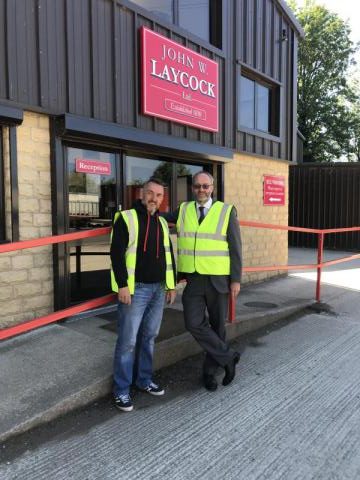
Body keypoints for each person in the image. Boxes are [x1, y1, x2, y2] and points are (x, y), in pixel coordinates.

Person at [164, 171, 242, 392]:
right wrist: (136, 214)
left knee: (217, 328)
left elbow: (236, 248)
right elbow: (159, 218)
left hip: (219, 279)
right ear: (192, 188)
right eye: (197, 186)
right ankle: (228, 357)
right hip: (194, 278)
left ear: (212, 188)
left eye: (205, 186)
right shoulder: (183, 209)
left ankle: (209, 373)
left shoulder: (226, 211)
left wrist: (236, 279)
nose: (201, 190)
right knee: (193, 323)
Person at [110, 177, 176, 412]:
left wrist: (171, 285)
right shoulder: (126, 218)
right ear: (141, 193)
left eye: (159, 195)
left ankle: (144, 380)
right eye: (150, 193)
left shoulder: (160, 222)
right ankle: (121, 390)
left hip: (158, 288)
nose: (154, 199)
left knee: (149, 336)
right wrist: (122, 285)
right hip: (135, 289)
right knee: (127, 341)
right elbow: (116, 253)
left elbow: (168, 256)